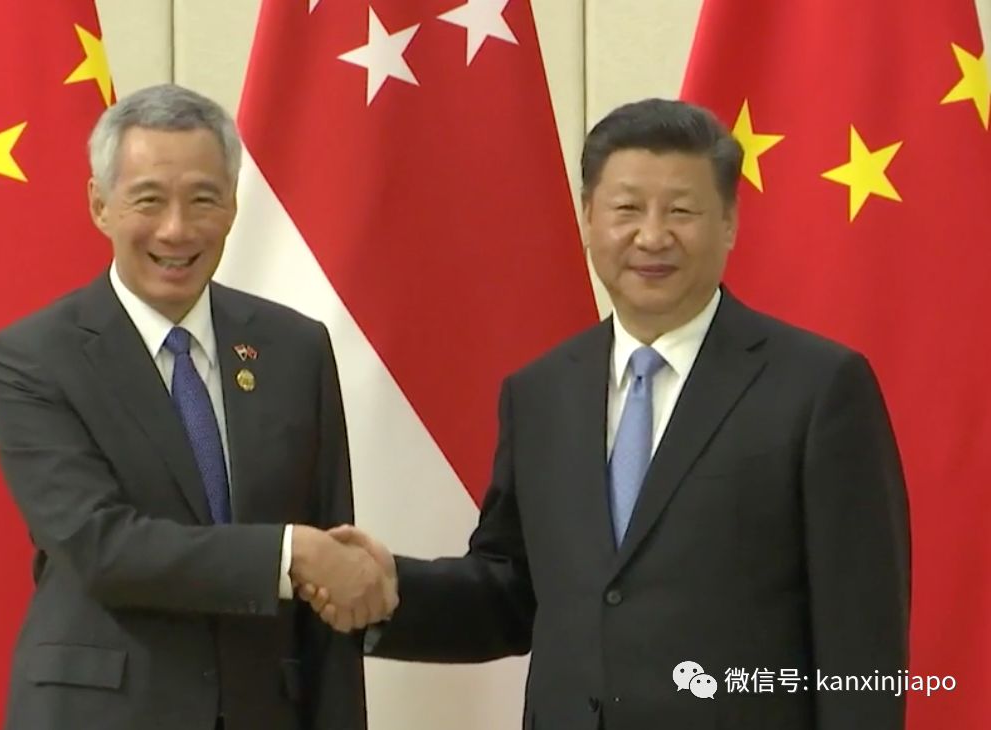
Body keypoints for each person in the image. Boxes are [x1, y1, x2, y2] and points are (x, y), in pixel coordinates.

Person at [305, 99, 910, 729]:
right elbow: (512, 591)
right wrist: (390, 588)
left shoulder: (817, 387)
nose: (652, 237)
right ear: (588, 218)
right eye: (627, 209)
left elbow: (861, 636)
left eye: (681, 211)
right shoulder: (540, 394)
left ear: (729, 222)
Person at [0, 84, 395, 730]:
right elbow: (101, 545)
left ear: (232, 206)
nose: (176, 229)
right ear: (100, 205)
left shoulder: (295, 348)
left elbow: (328, 571)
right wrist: (287, 556)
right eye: (149, 199)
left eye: (203, 199)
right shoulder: (33, 358)